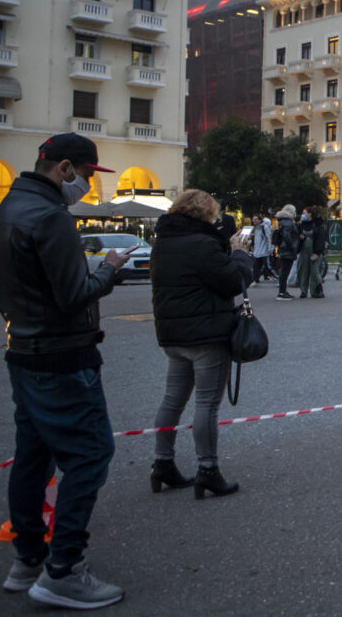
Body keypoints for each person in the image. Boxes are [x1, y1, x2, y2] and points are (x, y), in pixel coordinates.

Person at [0, 133, 129, 607]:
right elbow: (73, 295)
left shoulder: (4, 212)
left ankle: (27, 559)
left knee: (34, 455)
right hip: (63, 357)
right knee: (90, 453)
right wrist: (108, 268)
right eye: (86, 175)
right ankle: (64, 568)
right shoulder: (51, 216)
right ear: (65, 168)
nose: (88, 184)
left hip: (23, 351)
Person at [148, 190, 253, 499]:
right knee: (207, 402)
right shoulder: (203, 245)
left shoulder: (162, 243)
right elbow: (235, 281)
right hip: (206, 333)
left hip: (173, 333)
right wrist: (239, 254)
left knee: (172, 400)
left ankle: (162, 463)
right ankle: (207, 469)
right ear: (206, 214)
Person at [296, 206, 326, 299]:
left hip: (314, 250)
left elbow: (321, 239)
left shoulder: (317, 225)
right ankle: (303, 291)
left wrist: (317, 252)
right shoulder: (302, 225)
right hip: (304, 250)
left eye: (305, 213)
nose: (303, 215)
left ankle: (316, 291)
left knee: (314, 271)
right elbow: (298, 237)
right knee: (303, 270)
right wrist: (301, 238)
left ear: (310, 214)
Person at [272, 205, 300, 301]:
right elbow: (287, 236)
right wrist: (293, 248)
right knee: (285, 271)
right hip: (287, 249)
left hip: (282, 249)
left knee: (284, 271)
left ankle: (283, 291)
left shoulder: (281, 221)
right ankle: (282, 292)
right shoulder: (288, 223)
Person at [250, 214, 274, 285]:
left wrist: (270, 249)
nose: (254, 220)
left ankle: (276, 277)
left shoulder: (264, 227)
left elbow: (268, 238)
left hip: (264, 251)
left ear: (260, 220)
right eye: (253, 219)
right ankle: (255, 279)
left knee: (267, 265)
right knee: (256, 266)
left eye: (256, 219)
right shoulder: (255, 228)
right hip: (257, 251)